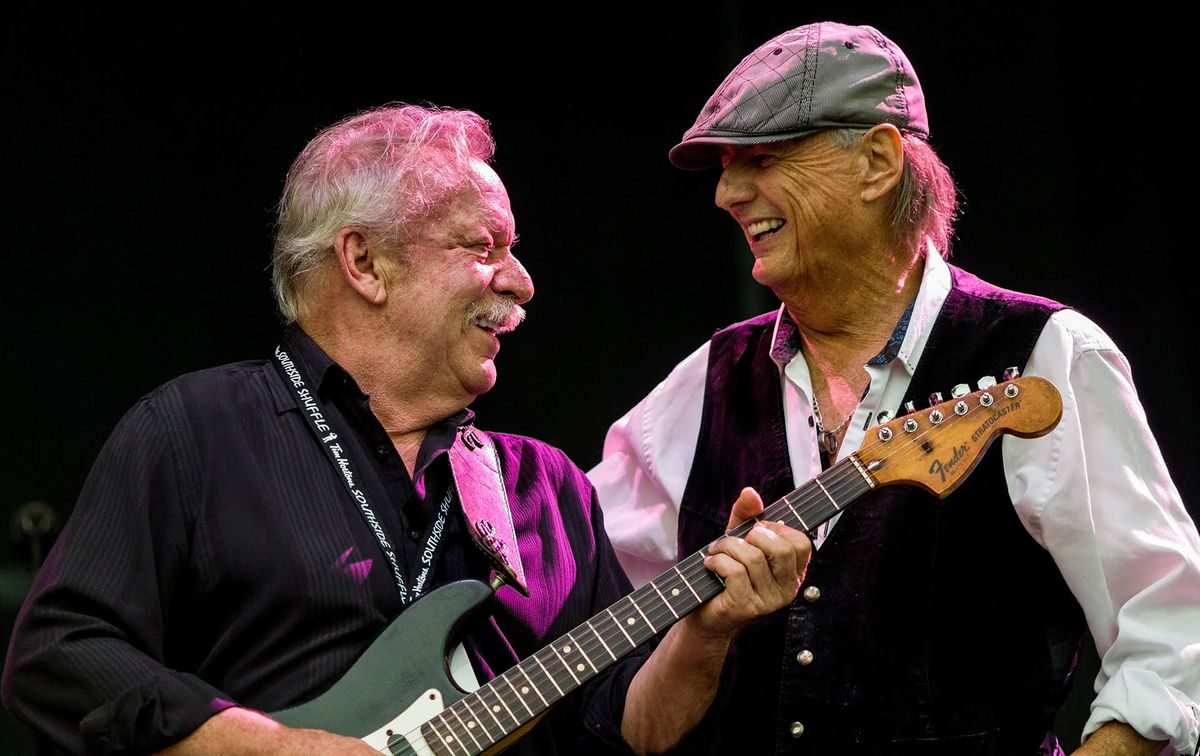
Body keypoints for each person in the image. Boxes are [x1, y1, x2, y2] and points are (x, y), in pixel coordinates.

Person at [1, 104, 808, 755]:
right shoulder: (193, 433)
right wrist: (264, 746)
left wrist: (707, 633)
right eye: (484, 246)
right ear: (365, 263)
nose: (521, 284)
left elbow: (621, 730)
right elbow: (56, 655)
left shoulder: (547, 488)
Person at [589, 21, 1200, 756]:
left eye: (761, 157)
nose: (727, 192)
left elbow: (1174, 632)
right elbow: (582, 615)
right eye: (724, 166)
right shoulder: (703, 386)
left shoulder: (1040, 354)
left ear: (878, 161)